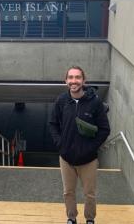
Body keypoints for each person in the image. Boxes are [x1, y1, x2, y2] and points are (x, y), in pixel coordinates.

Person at [49, 66, 110, 224]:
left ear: (84, 81)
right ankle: (71, 218)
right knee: (68, 192)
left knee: (89, 193)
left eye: (77, 77)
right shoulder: (61, 101)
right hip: (66, 158)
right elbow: (53, 124)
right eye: (70, 77)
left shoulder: (95, 103)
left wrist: (91, 148)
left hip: (88, 159)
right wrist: (60, 144)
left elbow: (105, 129)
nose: (73, 81)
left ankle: (90, 219)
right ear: (66, 81)